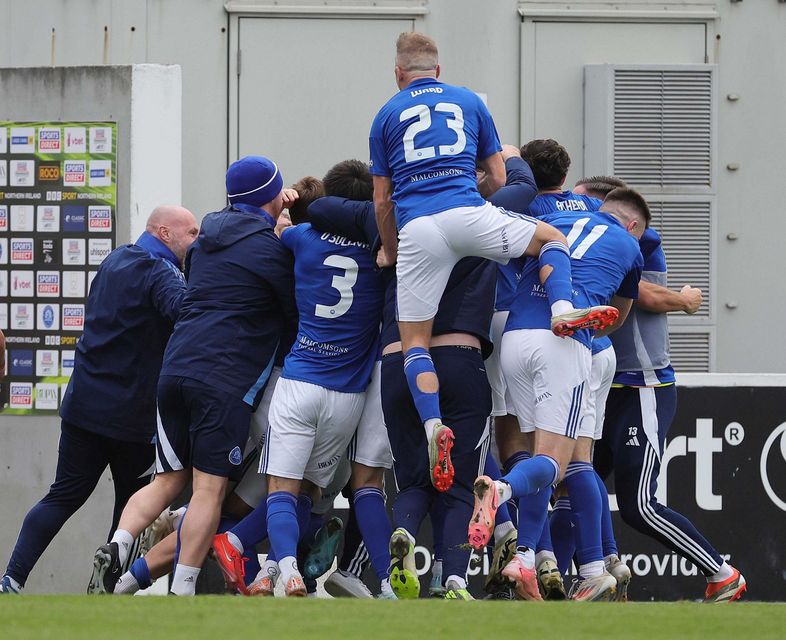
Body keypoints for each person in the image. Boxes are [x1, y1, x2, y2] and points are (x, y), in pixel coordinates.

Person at [369, 32, 618, 494]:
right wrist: (473, 203)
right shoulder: (466, 100)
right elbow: (500, 174)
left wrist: (392, 250)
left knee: (415, 343)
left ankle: (431, 426)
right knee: (550, 238)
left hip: (419, 229)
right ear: (438, 70)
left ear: (398, 74)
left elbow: (383, 199)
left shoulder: (385, 114)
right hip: (470, 213)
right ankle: (561, 309)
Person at [307, 156, 533, 600]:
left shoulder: (394, 218)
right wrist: (502, 158)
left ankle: (405, 537)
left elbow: (321, 209)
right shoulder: (481, 219)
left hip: (399, 362)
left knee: (411, 482)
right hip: (460, 357)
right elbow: (523, 185)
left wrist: (385, 203)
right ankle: (452, 579)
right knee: (461, 485)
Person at [89, 156, 298, 597]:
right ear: (271, 195)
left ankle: (118, 542)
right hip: (225, 379)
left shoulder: (202, 244)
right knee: (208, 490)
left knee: (166, 480)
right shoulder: (270, 250)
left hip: (175, 369)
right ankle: (182, 589)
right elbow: (292, 313)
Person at [0, 206, 198, 595]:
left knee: (62, 496)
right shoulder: (159, 271)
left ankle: (11, 579)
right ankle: (104, 591)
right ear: (164, 232)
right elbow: (187, 313)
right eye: (191, 233)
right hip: (131, 420)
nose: (197, 241)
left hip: (84, 409)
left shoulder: (115, 258)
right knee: (130, 508)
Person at [470, 188, 649, 602]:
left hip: (514, 337)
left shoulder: (554, 222)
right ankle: (505, 495)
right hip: (566, 342)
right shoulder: (631, 245)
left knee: (541, 456)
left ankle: (527, 556)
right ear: (634, 225)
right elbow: (615, 320)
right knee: (565, 460)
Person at [592, 187, 747, 603]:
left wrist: (683, 299)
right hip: (605, 387)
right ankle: (603, 571)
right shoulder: (600, 234)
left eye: (592, 205)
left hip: (643, 387)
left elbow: (642, 292)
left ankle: (722, 573)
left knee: (638, 506)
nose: (586, 213)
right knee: (576, 485)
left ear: (629, 222)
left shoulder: (644, 241)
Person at [258, 164, 385, 597]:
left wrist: (290, 201)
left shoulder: (303, 239)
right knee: (311, 492)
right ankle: (285, 570)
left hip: (300, 383)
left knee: (280, 486)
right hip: (348, 395)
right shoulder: (379, 249)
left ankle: (286, 568)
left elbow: (278, 228)